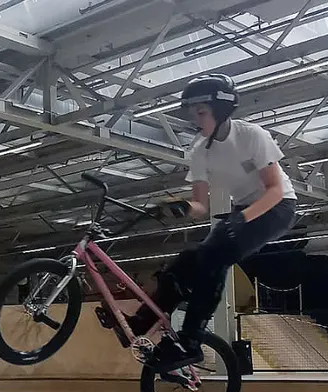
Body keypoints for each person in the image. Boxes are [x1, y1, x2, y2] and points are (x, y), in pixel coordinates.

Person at [126, 73, 298, 373]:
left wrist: (243, 218)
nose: (196, 120)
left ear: (221, 111)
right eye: (193, 114)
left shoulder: (252, 136)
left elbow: (275, 191)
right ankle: (142, 321)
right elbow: (201, 206)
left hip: (278, 208)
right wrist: (182, 207)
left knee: (214, 257)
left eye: (201, 113)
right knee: (186, 260)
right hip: (242, 211)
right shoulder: (199, 150)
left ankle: (191, 341)